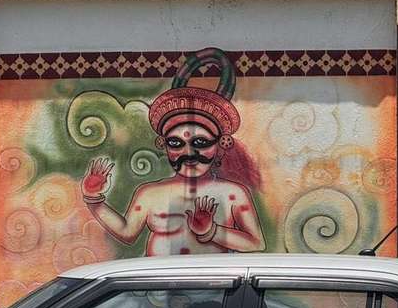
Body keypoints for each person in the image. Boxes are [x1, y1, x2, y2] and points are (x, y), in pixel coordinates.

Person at [80, 48, 265, 256]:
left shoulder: (233, 193)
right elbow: (127, 232)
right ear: (164, 145)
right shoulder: (149, 193)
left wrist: (211, 231)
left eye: (201, 142)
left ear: (221, 144)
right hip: (156, 287)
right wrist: (94, 200)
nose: (189, 152)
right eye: (176, 143)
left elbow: (255, 243)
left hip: (211, 287)